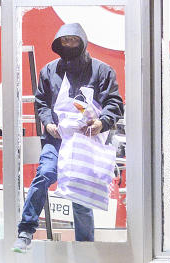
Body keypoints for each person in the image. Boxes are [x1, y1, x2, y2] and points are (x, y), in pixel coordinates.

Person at [12, 23, 123, 253]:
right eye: (65, 41)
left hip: (86, 142)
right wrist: (48, 123)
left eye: (74, 40)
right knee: (44, 174)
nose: (70, 44)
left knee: (80, 195)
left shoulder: (102, 71)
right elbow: (41, 102)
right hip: (56, 139)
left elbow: (115, 103)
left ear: (82, 41)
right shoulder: (48, 71)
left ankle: (84, 249)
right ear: (58, 43)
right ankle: (25, 231)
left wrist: (102, 123)